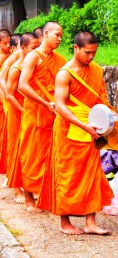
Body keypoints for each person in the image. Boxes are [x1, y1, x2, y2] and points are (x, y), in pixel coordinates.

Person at [38, 31, 114, 235]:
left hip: (92, 128)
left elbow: (101, 99)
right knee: (67, 175)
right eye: (87, 52)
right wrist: (82, 125)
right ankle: (65, 222)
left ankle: (90, 221)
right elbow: (60, 107)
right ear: (76, 48)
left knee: (92, 173)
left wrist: (111, 120)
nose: (91, 57)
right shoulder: (65, 73)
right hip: (68, 129)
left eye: (94, 53)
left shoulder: (96, 70)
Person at [18, 21, 66, 213]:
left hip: (54, 114)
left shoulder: (61, 60)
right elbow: (23, 85)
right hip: (35, 111)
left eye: (62, 36)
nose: (60, 39)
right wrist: (45, 103)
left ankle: (47, 195)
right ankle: (29, 197)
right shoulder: (33, 57)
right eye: (57, 35)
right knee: (31, 155)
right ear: (46, 34)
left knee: (51, 156)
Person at [6, 32, 40, 203]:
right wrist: (23, 110)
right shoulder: (15, 68)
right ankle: (17, 189)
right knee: (17, 150)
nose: (38, 52)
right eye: (34, 48)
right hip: (18, 111)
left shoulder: (36, 66)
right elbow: (10, 95)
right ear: (22, 48)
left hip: (34, 112)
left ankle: (33, 187)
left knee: (32, 151)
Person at [0, 29, 11, 175]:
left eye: (9, 42)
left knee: (6, 131)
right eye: (5, 43)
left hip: (8, 96)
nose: (8, 45)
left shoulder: (11, 58)